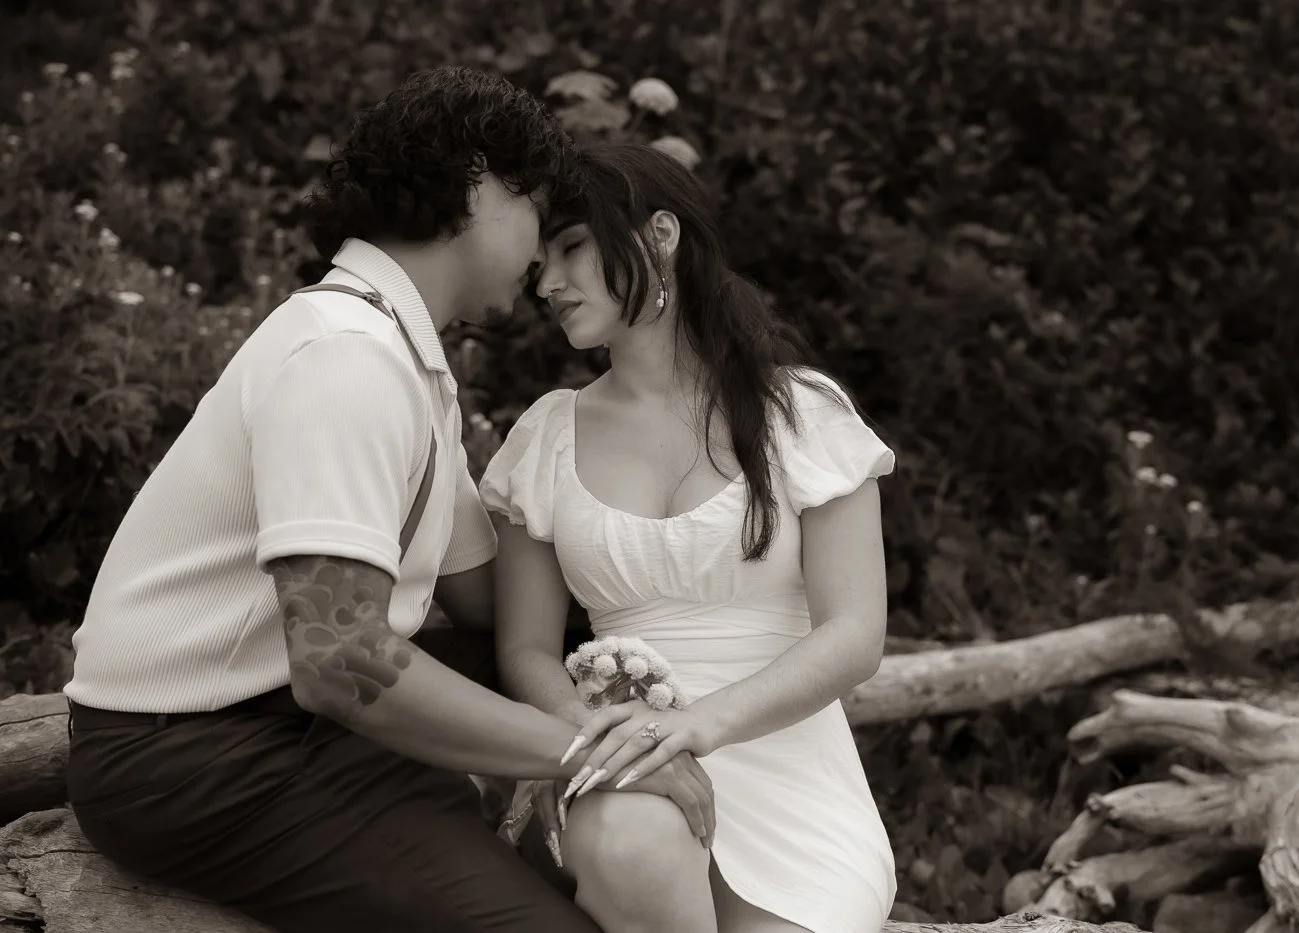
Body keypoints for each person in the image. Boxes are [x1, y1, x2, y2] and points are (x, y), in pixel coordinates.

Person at [61, 67, 713, 933]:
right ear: (480, 186)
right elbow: (340, 660)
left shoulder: (400, 353)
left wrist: (682, 623)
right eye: (536, 215)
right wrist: (593, 749)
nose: (538, 259)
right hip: (195, 755)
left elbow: (491, 601)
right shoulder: (346, 360)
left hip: (293, 728)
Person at [479, 142, 898, 933]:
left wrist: (697, 725)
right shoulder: (545, 436)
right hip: (617, 768)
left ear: (660, 235)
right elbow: (526, 651)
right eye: (540, 263)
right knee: (634, 841)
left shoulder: (801, 413)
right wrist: (604, 740)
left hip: (791, 775)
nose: (548, 283)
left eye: (571, 248)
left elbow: (856, 634)